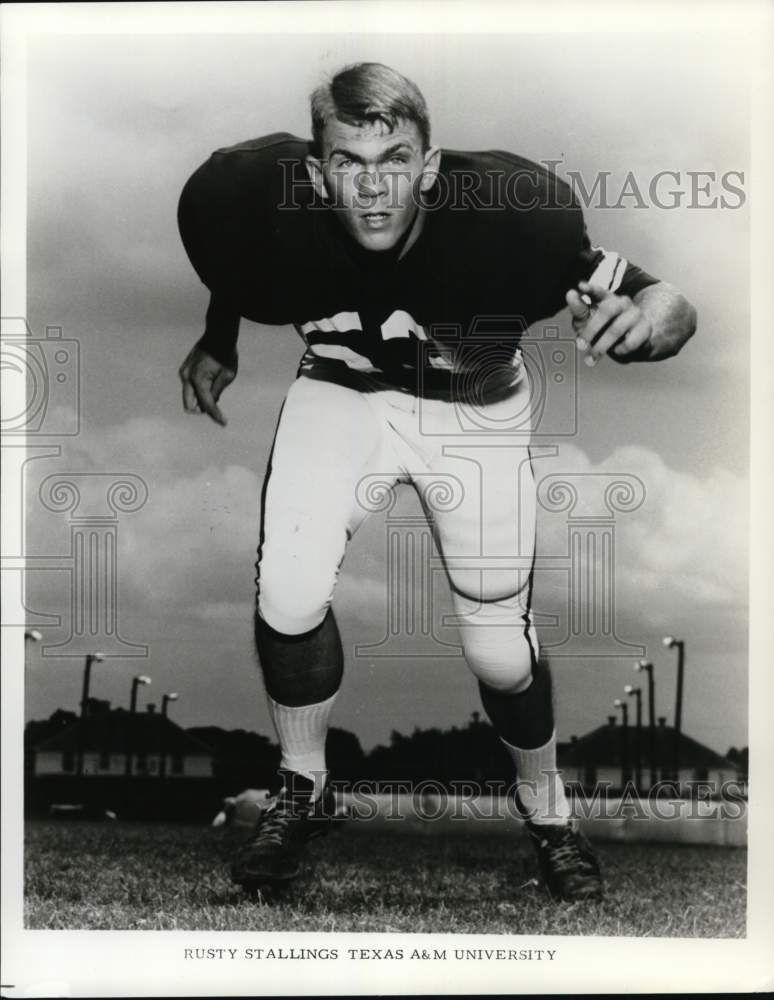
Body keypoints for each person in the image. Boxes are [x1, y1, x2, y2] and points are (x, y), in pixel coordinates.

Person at [177, 62, 696, 902]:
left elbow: (661, 296)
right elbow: (237, 262)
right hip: (343, 390)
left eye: (395, 160)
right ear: (315, 173)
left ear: (430, 163)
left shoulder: (511, 220)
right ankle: (303, 787)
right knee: (287, 592)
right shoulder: (248, 200)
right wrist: (220, 339)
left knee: (498, 651)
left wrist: (656, 323)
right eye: (348, 162)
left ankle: (551, 814)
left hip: (474, 412)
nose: (374, 188)